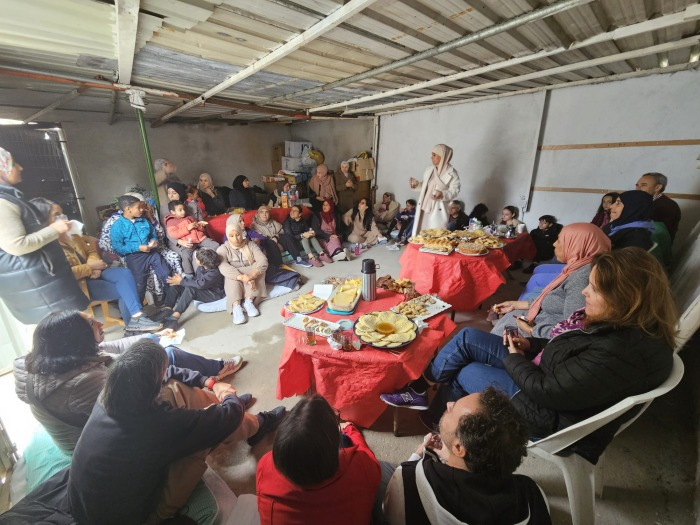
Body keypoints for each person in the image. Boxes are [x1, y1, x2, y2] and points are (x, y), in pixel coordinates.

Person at [381, 248, 676, 464]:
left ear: (625, 298)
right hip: (546, 371)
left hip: (546, 413)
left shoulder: (619, 352)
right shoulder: (627, 326)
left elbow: (548, 392)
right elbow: (571, 352)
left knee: (466, 371)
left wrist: (514, 358)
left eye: (594, 289)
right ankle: (421, 390)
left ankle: (444, 433)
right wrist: (531, 345)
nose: (585, 292)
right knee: (468, 337)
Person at [67, 340, 285, 524]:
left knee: (173, 387)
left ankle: (231, 408)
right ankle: (255, 422)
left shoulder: (112, 394)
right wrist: (228, 395)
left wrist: (209, 382)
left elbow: (168, 374)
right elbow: (228, 417)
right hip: (140, 517)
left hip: (89, 505)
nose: (166, 372)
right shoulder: (155, 424)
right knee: (205, 435)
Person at [13, 310, 243, 453]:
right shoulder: (82, 383)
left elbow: (111, 348)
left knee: (167, 353)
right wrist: (194, 380)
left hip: (104, 410)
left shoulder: (55, 358)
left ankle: (218, 383)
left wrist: (153, 337)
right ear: (76, 338)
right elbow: (137, 403)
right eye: (92, 324)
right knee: (174, 387)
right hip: (89, 443)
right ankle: (227, 408)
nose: (100, 323)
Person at [383, 388, 551, 525]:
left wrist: (417, 455)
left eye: (453, 410)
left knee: (382, 469)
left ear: (459, 447)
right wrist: (451, 458)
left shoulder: (409, 477)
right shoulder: (532, 496)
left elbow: (389, 512)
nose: (449, 404)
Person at [31, 198, 161, 332]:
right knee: (126, 290)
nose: (63, 218)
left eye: (62, 213)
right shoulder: (45, 248)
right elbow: (62, 273)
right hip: (79, 284)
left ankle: (136, 318)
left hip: (96, 271)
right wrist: (90, 268)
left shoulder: (71, 235)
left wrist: (93, 264)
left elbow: (90, 250)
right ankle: (133, 326)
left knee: (125, 274)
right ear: (43, 221)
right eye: (56, 215)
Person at [256, 395, 381, 525]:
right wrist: (350, 429)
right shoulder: (362, 468)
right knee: (387, 472)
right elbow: (369, 459)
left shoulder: (265, 466)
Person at [0, 147, 88, 324]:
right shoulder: (3, 202)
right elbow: (16, 245)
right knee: (65, 332)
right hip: (40, 290)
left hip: (42, 285)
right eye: (14, 164)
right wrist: (55, 229)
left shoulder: (10, 198)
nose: (21, 167)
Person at [490, 223, 611, 338]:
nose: (554, 244)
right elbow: (558, 301)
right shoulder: (577, 267)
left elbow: (571, 331)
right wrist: (516, 304)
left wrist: (532, 330)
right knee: (506, 320)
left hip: (540, 333)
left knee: (482, 339)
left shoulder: (582, 278)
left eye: (560, 241)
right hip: (539, 319)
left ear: (577, 246)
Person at [99, 193, 184, 306]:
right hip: (134, 257)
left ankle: (170, 302)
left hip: (151, 253)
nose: (142, 209)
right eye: (139, 207)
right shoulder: (117, 226)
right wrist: (137, 247)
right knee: (139, 284)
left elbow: (153, 234)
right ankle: (137, 310)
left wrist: (154, 241)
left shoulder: (143, 221)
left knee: (166, 273)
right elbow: (118, 247)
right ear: (128, 209)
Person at [218, 213, 268, 324]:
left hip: (250, 271)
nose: (235, 238)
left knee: (259, 269)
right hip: (236, 274)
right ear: (228, 236)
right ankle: (236, 306)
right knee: (229, 276)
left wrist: (251, 275)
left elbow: (262, 260)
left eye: (238, 235)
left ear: (241, 234)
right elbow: (223, 266)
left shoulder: (250, 244)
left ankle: (248, 301)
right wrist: (241, 277)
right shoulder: (223, 248)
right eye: (231, 236)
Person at [160, 248, 226, 324]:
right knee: (176, 284)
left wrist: (182, 281)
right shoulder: (201, 268)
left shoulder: (214, 273)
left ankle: (175, 316)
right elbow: (196, 280)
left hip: (214, 294)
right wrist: (180, 281)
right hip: (205, 289)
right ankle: (168, 309)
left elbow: (200, 284)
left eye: (197, 259)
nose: (195, 259)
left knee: (190, 289)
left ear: (202, 262)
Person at [409, 144, 460, 236]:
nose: (431, 157)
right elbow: (426, 187)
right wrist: (417, 185)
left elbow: (455, 191)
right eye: (432, 154)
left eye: (434, 155)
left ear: (442, 156)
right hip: (424, 207)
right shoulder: (430, 169)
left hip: (438, 208)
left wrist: (442, 194)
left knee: (435, 236)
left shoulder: (452, 173)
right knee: (421, 234)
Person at [164, 200, 219, 275]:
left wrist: (198, 226)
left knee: (216, 245)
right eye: (180, 210)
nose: (183, 211)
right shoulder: (171, 222)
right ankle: (189, 274)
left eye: (183, 209)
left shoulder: (189, 217)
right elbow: (174, 234)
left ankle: (217, 263)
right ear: (173, 212)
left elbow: (202, 229)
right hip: (189, 242)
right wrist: (187, 228)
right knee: (186, 255)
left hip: (200, 239)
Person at [636, 172, 681, 242]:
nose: (638, 189)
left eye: (644, 185)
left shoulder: (668, 206)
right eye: (637, 185)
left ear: (658, 187)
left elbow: (657, 232)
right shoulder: (645, 201)